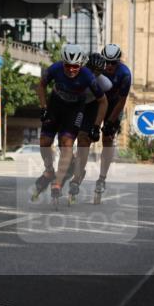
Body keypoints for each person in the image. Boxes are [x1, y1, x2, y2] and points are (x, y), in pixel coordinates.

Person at [34, 43, 107, 203]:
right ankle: (49, 171)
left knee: (66, 145)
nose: (71, 70)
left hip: (74, 111)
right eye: (68, 66)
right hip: (55, 106)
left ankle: (58, 183)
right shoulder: (55, 69)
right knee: (44, 142)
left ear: (80, 64)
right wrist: (43, 106)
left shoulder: (88, 76)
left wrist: (97, 126)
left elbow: (103, 101)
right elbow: (41, 85)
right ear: (63, 63)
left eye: (75, 66)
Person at [63, 52, 114, 201]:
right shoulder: (73, 75)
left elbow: (104, 104)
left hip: (91, 108)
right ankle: (72, 163)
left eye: (97, 72)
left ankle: (77, 178)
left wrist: (96, 127)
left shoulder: (105, 84)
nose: (93, 73)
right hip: (73, 106)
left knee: (84, 141)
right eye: (90, 69)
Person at [94, 43, 132, 198]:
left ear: (118, 62)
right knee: (87, 134)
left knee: (107, 139)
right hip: (97, 104)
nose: (109, 66)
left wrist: (109, 122)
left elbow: (122, 101)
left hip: (114, 107)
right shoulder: (97, 68)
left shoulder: (125, 74)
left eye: (113, 63)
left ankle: (102, 178)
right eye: (106, 62)